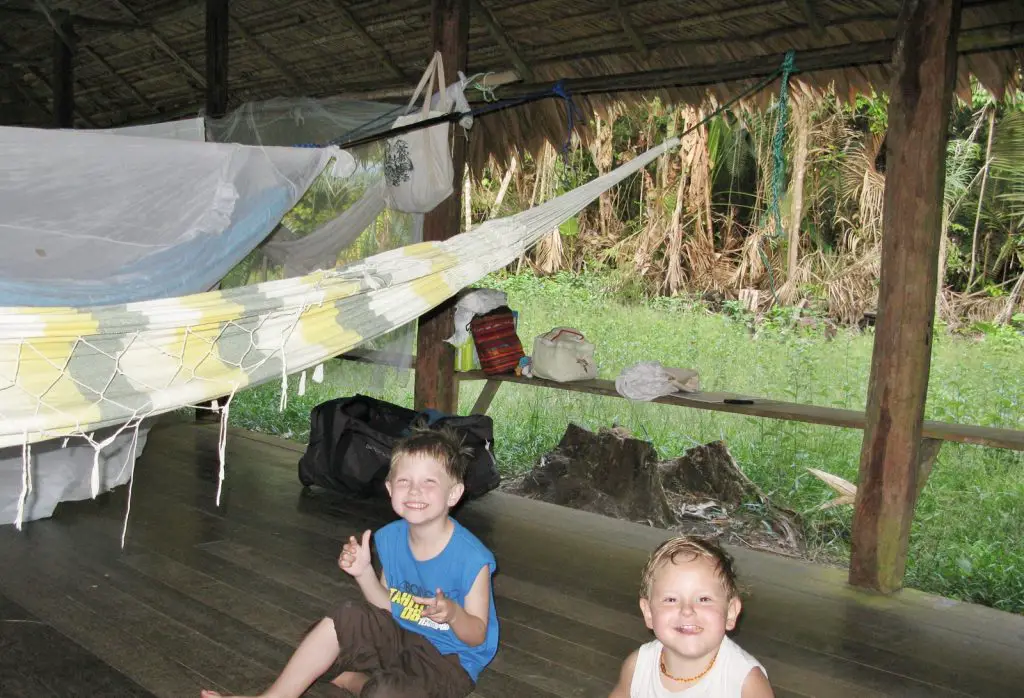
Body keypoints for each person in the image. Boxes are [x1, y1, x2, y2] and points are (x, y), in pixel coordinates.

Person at [202, 427, 499, 698]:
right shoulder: (390, 538)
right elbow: (387, 607)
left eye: (429, 482)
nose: (414, 491)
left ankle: (350, 680)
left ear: (454, 493)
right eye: (404, 481)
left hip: (448, 663)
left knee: (386, 692)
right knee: (341, 619)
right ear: (390, 489)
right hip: (403, 637)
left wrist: (453, 615)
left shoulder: (472, 559)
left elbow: (476, 636)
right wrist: (364, 573)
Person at [609, 536, 773, 697]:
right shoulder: (639, 666)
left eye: (703, 599)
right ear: (649, 613)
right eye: (671, 599)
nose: (687, 610)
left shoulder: (745, 682)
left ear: (731, 612)